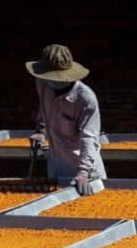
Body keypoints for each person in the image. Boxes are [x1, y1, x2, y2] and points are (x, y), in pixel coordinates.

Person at [26, 44, 106, 196]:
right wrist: (40, 131)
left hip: (85, 172)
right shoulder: (42, 84)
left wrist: (83, 173)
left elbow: (88, 138)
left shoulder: (86, 99)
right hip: (56, 167)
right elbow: (44, 108)